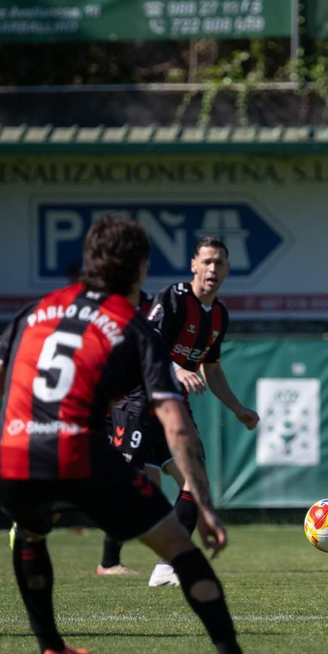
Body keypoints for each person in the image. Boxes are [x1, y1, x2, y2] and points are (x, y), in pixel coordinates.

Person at [0, 215, 272, 654]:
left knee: (31, 534)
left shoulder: (36, 310)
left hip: (13, 458)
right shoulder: (132, 324)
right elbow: (176, 422)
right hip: (77, 453)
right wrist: (205, 506)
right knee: (179, 548)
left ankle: (53, 651)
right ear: (140, 269)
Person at [100, 236, 260, 583]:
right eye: (207, 261)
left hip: (173, 406)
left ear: (227, 269)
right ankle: (108, 561)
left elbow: (212, 370)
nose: (212, 268)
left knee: (195, 480)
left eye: (219, 262)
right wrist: (176, 368)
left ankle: (166, 567)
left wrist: (237, 408)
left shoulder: (219, 314)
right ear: (193, 265)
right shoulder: (173, 297)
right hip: (138, 400)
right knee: (127, 486)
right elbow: (147, 342)